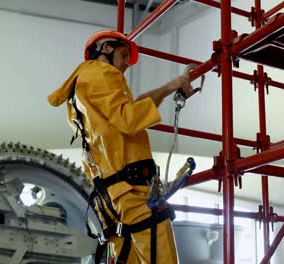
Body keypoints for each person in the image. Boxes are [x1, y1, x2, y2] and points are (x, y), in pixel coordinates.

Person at [48, 30, 193, 264]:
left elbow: (126, 112)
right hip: (132, 190)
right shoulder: (103, 73)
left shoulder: (79, 90)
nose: (127, 64)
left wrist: (170, 86)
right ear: (106, 48)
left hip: (109, 197)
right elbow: (128, 120)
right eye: (124, 55)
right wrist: (169, 88)